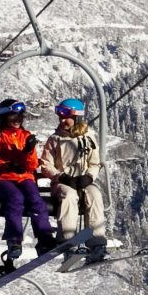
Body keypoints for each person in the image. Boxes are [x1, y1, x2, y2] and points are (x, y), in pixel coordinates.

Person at [0, 98, 56, 276]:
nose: (16, 119)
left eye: (19, 115)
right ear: (4, 117)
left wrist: (29, 150)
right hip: (3, 179)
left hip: (24, 177)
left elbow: (31, 165)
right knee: (15, 198)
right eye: (12, 115)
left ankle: (44, 238)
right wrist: (9, 165)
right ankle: (14, 239)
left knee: (35, 199)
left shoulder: (26, 136)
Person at [39, 97, 106, 261]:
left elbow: (95, 162)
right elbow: (46, 165)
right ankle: (67, 241)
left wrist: (89, 176)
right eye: (61, 117)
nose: (63, 121)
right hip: (63, 183)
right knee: (69, 196)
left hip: (82, 180)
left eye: (66, 117)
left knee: (95, 194)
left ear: (77, 118)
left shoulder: (88, 137)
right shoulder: (54, 139)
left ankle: (96, 242)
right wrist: (60, 176)